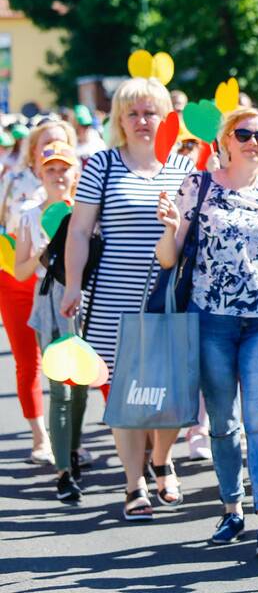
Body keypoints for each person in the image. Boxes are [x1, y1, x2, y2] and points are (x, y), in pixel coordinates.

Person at [155, 106, 258, 556]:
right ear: (225, 140)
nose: (254, 142)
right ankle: (231, 509)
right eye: (244, 133)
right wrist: (168, 228)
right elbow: (169, 258)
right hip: (211, 320)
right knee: (223, 422)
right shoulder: (197, 187)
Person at [60, 78, 194, 520]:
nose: (142, 121)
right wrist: (74, 284)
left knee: (171, 396)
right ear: (120, 118)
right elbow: (79, 230)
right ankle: (134, 482)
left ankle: (161, 458)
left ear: (165, 116)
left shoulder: (182, 167)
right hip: (113, 302)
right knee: (125, 396)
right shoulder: (101, 165)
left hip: (168, 300)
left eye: (150, 112)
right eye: (133, 113)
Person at [0, 118, 76, 466]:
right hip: (17, 274)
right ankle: (39, 436)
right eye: (46, 145)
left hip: (60, 279)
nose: (53, 151)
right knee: (27, 361)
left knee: (69, 359)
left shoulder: (74, 182)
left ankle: (68, 437)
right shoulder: (13, 179)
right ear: (32, 152)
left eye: (61, 143)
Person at [12, 141, 83, 500]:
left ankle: (71, 447)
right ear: (40, 173)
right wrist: (46, 251)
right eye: (50, 169)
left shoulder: (87, 211)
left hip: (86, 304)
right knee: (60, 388)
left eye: (63, 168)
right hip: (48, 305)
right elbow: (20, 270)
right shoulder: (27, 215)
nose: (57, 175)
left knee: (82, 386)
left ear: (76, 173)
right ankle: (64, 470)